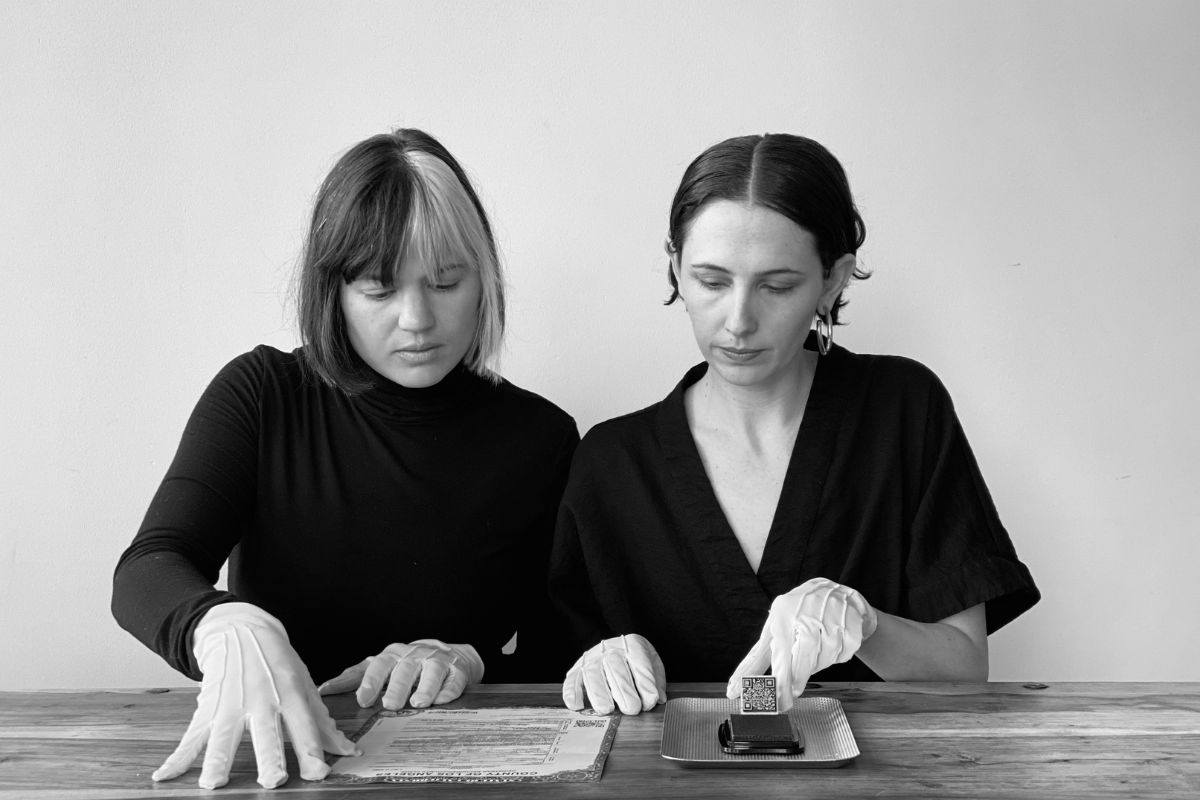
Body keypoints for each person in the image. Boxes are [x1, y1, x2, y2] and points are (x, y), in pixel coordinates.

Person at [112, 129, 579, 789]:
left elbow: (559, 658)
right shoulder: (263, 396)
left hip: (464, 771)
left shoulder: (543, 438)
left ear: (484, 281)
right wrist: (216, 624)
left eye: (446, 281)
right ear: (333, 291)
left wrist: (468, 662)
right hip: (286, 771)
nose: (417, 318)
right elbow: (148, 567)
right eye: (379, 288)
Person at [550, 133, 1039, 716]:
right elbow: (555, 672)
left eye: (776, 287)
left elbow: (965, 668)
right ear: (676, 268)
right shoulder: (610, 463)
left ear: (832, 281)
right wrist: (597, 664)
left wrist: (867, 626)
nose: (738, 321)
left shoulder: (903, 411)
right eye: (710, 281)